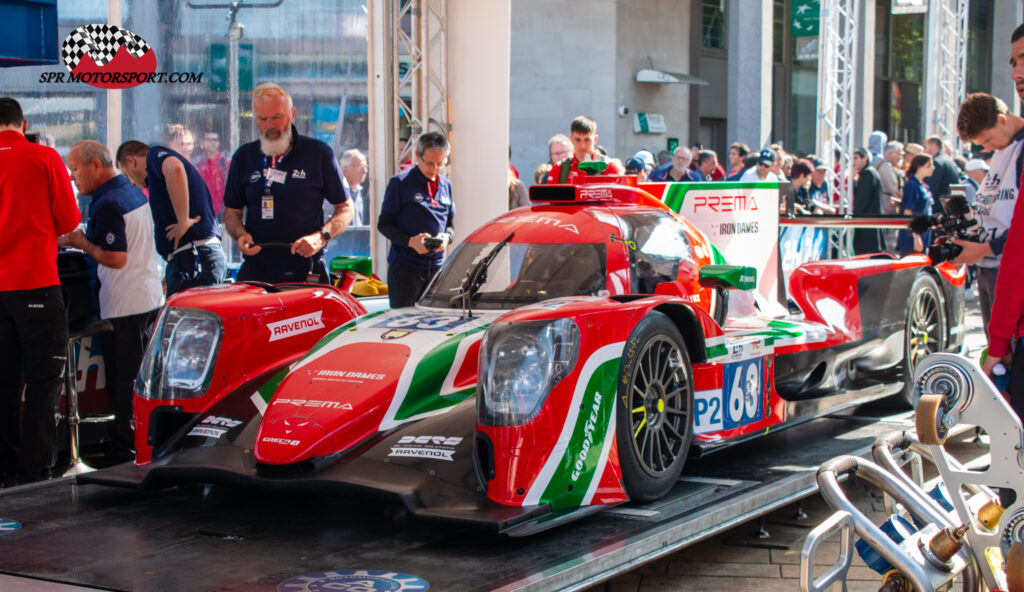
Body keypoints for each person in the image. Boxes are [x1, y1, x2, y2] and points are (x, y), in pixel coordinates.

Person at [62, 141, 163, 459]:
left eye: (75, 168)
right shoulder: (132, 191)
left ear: (95, 166)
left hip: (124, 305)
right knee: (138, 380)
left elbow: (116, 258)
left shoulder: (107, 204)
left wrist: (81, 243)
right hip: (147, 298)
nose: (73, 177)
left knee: (124, 383)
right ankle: (139, 442)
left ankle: (124, 450)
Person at [0, 97, 81, 485]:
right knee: (43, 382)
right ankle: (33, 473)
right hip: (34, 282)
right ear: (24, 122)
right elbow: (68, 219)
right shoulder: (43, 157)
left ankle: (3, 466)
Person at [223, 83, 353, 285]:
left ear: (292, 115)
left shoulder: (318, 154)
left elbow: (345, 208)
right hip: (256, 270)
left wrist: (320, 237)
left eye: (276, 117)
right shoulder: (244, 157)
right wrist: (240, 234)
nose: (270, 125)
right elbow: (232, 212)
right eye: (262, 119)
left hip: (306, 269)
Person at [953, 92, 1024, 338]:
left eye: (988, 139)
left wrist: (984, 249)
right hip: (990, 266)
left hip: (1008, 268)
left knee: (1008, 357)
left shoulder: (1019, 151)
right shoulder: (1003, 151)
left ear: (1002, 119)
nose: (987, 148)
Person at [116, 140, 227, 296]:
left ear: (131, 161)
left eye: (127, 176)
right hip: (191, 257)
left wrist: (183, 221)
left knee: (189, 317)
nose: (132, 184)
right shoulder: (156, 172)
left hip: (193, 257)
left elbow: (175, 168)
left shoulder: (154, 156)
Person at [378, 131, 455, 308]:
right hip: (405, 268)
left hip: (436, 268)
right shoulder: (400, 182)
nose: (434, 169)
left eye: (440, 163)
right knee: (403, 323)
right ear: (417, 156)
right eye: (429, 163)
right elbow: (383, 224)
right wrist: (411, 241)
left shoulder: (446, 185)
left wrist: (446, 238)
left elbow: (450, 225)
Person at [546, 115, 623, 183]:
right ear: (571, 139)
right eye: (578, 140)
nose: (582, 145)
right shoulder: (559, 168)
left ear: (595, 139)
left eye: (587, 140)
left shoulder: (608, 166)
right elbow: (551, 198)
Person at [895, 153, 934, 257]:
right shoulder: (912, 185)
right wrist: (916, 237)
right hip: (913, 238)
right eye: (929, 165)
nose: (932, 168)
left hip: (922, 233)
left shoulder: (922, 185)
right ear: (919, 166)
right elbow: (908, 212)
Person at [851, 147, 884, 254]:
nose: (853, 162)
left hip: (867, 229)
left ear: (864, 159)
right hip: (870, 227)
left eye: (856, 158)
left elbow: (861, 203)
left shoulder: (868, 174)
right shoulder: (868, 173)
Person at [195, 131, 230, 220]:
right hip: (204, 210)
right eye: (209, 140)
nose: (212, 143)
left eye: (215, 140)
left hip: (222, 211)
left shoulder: (225, 162)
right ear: (203, 142)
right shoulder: (199, 164)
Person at [878, 141, 905, 252]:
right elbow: (894, 188)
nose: (900, 157)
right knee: (889, 238)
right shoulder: (886, 166)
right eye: (898, 153)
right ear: (889, 153)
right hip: (887, 206)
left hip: (890, 205)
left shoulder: (889, 166)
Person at [923, 135, 961, 209]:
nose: (924, 151)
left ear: (934, 146)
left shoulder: (937, 162)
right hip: (947, 207)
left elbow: (930, 189)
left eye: (925, 147)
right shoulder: (948, 160)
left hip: (939, 208)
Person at [339, 149, 369, 226]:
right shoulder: (335, 193)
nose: (365, 171)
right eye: (360, 166)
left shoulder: (359, 192)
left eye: (366, 166)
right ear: (345, 170)